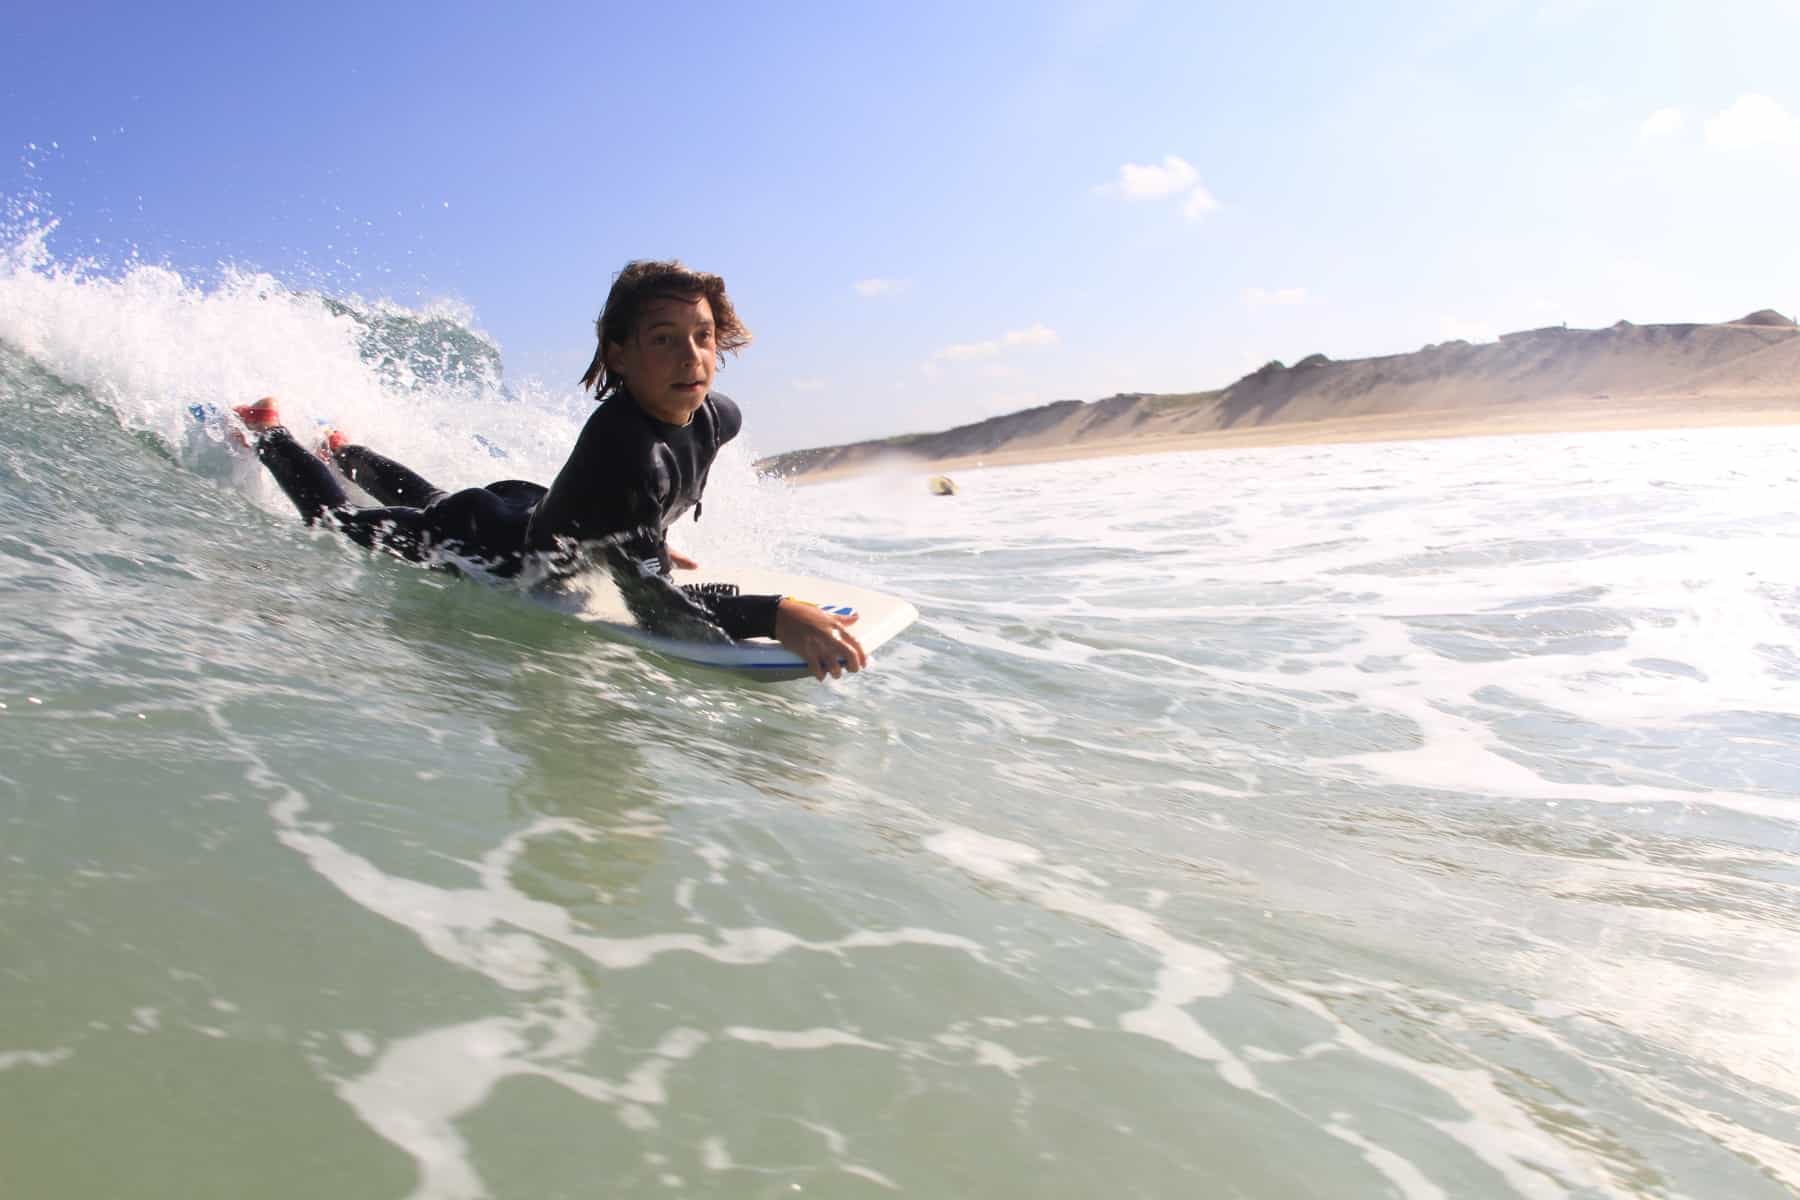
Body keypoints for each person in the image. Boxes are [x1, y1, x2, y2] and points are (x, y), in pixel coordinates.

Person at [235, 260, 867, 681]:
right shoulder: (626, 453)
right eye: (664, 339)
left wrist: (648, 537)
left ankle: (344, 451)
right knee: (342, 519)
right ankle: (272, 434)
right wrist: (777, 614)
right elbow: (657, 609)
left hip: (529, 508)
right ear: (620, 355)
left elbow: (653, 495)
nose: (691, 358)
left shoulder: (717, 416)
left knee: (434, 496)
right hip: (487, 545)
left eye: (702, 336)